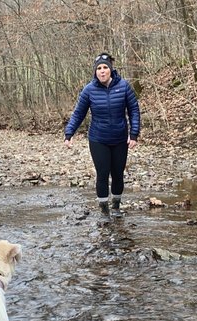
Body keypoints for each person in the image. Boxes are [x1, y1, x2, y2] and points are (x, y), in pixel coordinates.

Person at [64, 52, 141, 218]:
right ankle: (104, 211)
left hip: (120, 139)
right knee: (103, 173)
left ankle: (116, 207)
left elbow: (134, 110)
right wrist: (69, 133)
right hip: (98, 139)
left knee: (118, 173)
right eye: (99, 68)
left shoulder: (124, 86)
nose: (102, 71)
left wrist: (134, 134)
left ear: (111, 70)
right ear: (95, 71)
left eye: (105, 67)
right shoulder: (89, 90)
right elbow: (78, 113)